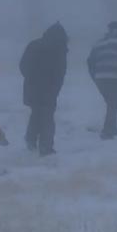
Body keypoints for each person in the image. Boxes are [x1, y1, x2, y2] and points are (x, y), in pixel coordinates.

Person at [20, 22, 68, 156]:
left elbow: (23, 66)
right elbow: (60, 72)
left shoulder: (34, 45)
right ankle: (46, 148)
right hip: (49, 90)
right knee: (47, 118)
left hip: (32, 89)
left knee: (36, 114)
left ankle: (30, 140)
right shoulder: (59, 48)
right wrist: (55, 88)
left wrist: (31, 79)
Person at [87, 21, 117, 140]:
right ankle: (107, 131)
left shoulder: (99, 43)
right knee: (113, 104)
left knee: (111, 103)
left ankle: (113, 128)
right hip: (116, 77)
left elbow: (90, 61)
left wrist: (95, 76)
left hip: (100, 77)